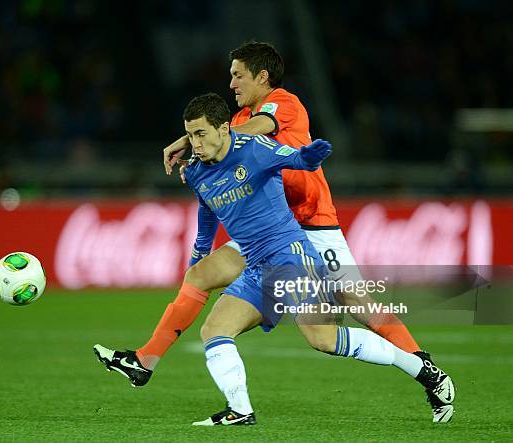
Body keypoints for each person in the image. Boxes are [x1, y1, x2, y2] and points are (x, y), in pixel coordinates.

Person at [94, 42, 450, 422]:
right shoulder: (243, 113)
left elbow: (247, 134)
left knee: (357, 307)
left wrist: (193, 142)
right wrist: (205, 145)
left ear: (262, 76)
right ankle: (145, 360)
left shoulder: (283, 103)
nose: (231, 83)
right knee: (199, 274)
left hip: (311, 224)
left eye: (238, 75)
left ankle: (422, 365)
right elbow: (227, 140)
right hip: (267, 226)